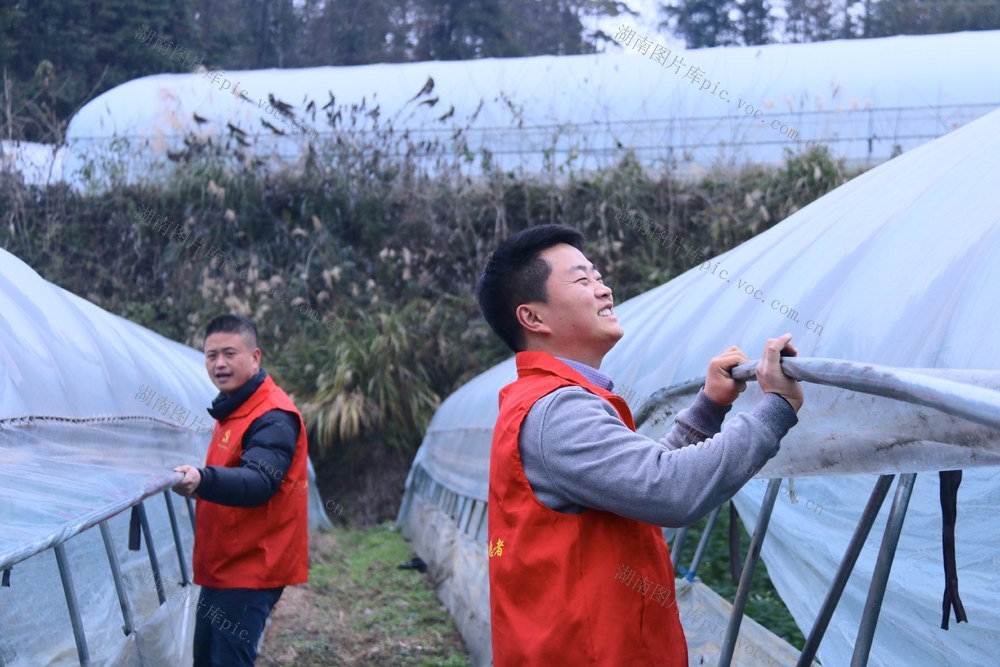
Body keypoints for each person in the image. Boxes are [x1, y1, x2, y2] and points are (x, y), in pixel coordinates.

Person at [475, 224, 804, 666]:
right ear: (533, 318)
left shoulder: (543, 401)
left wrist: (707, 409)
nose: (603, 289)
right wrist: (777, 407)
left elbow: (638, 482)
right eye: (582, 280)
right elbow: (669, 490)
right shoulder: (559, 411)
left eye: (597, 275)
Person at [172, 314, 309, 666]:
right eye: (211, 355)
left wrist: (204, 479)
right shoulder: (234, 409)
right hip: (225, 564)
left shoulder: (272, 416)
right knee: (206, 658)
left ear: (255, 356)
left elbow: (260, 481)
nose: (219, 364)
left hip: (251, 567)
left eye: (230, 353)